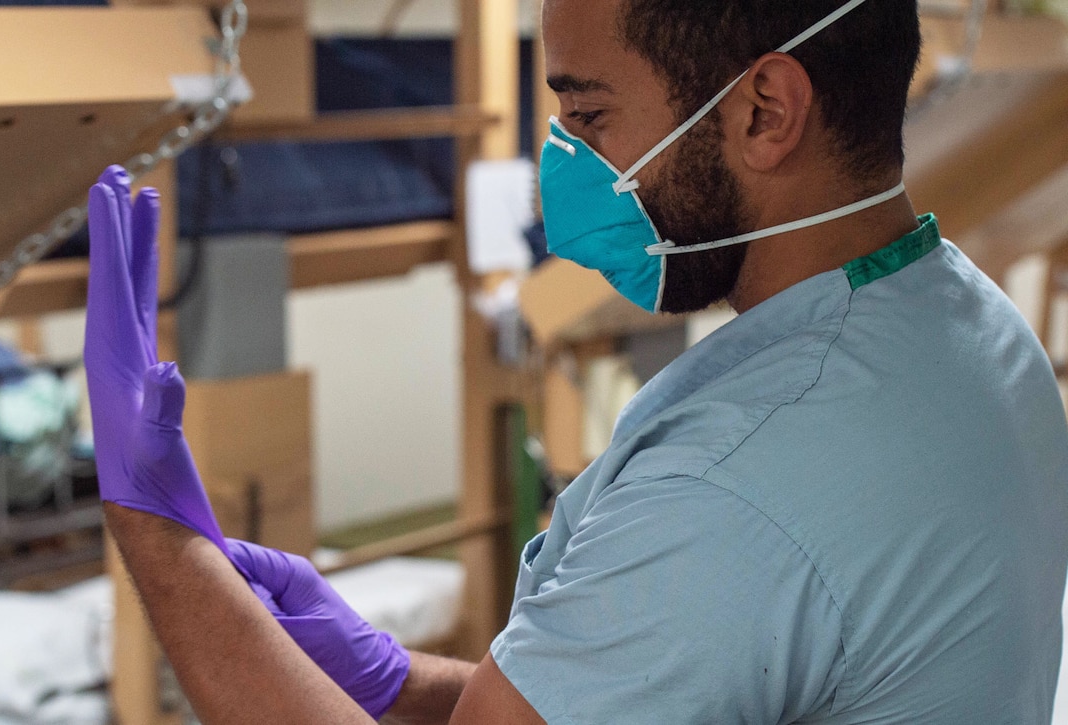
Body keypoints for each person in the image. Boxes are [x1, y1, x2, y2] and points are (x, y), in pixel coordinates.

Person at [86, 0, 1068, 722]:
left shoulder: (733, 483)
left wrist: (160, 543)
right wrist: (390, 678)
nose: (565, 166)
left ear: (765, 110)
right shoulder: (970, 329)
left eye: (589, 118)